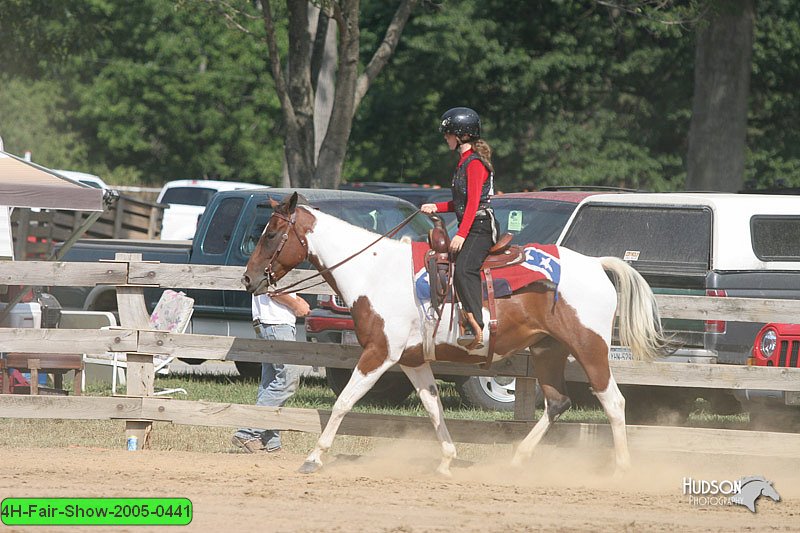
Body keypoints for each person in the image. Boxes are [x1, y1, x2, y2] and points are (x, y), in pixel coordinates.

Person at [421, 107, 496, 349]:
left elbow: (473, 202)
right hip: (472, 223)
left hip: (481, 227)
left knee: (464, 269)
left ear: (461, 135)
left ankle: (478, 327)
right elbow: (461, 202)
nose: (446, 138)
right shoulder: (464, 161)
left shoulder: (475, 164)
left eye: (448, 134)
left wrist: (461, 234)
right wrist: (437, 206)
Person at [231, 292, 310, 453]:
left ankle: (269, 441)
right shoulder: (273, 265)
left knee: (271, 382)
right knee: (288, 380)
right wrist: (295, 305)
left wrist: (297, 300)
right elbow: (272, 289)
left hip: (272, 323)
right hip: (276, 323)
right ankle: (247, 431)